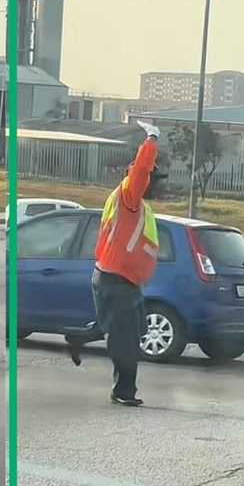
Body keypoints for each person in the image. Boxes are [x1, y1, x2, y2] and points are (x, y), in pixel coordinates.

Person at [91, 121, 161, 406]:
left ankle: (86, 335)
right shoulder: (128, 197)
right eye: (151, 176)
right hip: (116, 279)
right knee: (126, 340)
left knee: (131, 335)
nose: (153, 181)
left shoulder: (135, 204)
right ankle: (123, 391)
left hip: (122, 279)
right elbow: (141, 170)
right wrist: (152, 139)